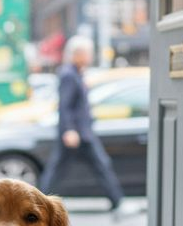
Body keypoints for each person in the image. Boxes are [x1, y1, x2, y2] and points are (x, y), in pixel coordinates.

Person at [37, 35, 125, 214]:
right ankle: (39, 202)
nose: (90, 56)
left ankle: (117, 200)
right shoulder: (69, 75)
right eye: (87, 53)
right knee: (63, 169)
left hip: (81, 132)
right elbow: (65, 106)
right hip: (76, 133)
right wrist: (69, 130)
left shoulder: (76, 73)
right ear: (77, 54)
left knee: (96, 165)